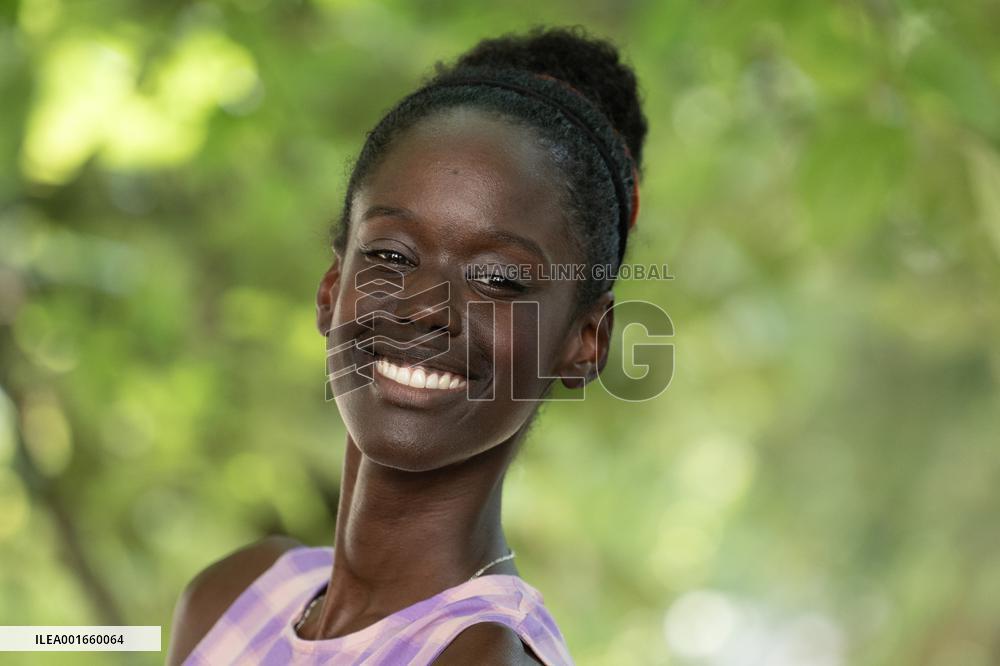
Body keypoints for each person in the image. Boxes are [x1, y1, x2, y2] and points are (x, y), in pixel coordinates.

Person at [166, 24, 647, 665]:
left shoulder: (482, 656)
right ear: (332, 286)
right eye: (392, 254)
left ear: (585, 342)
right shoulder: (236, 595)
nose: (425, 307)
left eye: (499, 279)